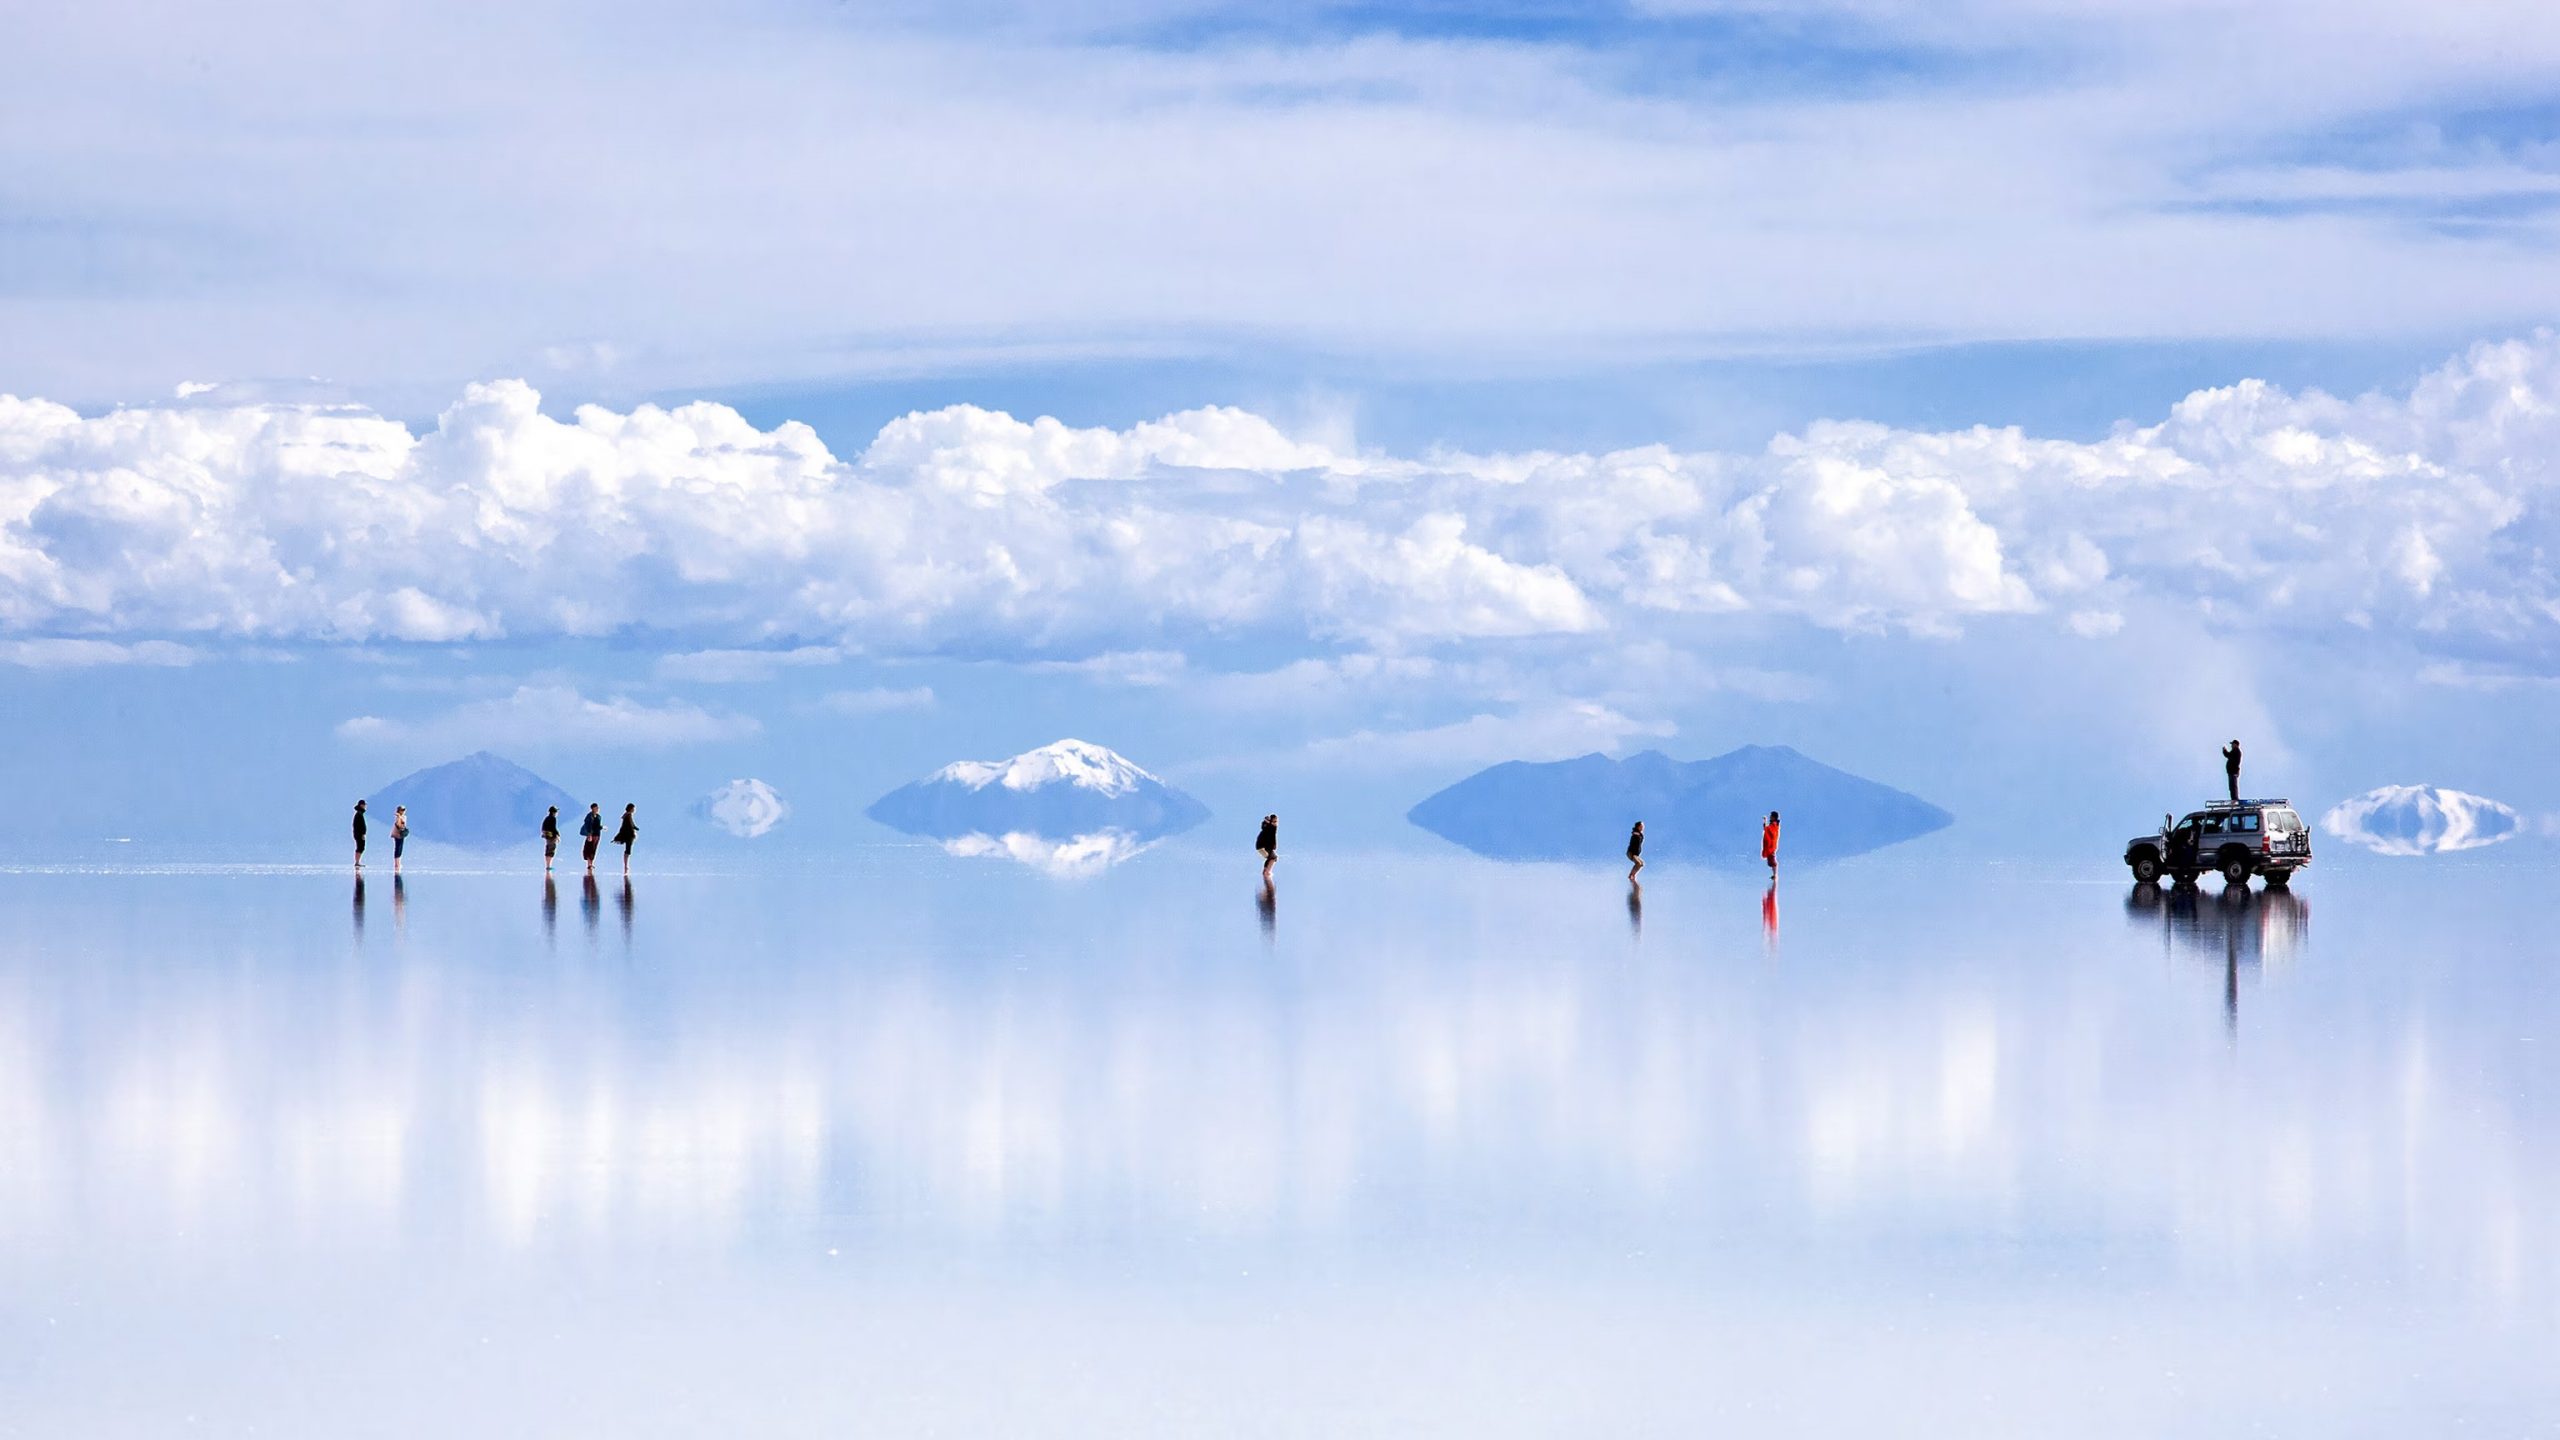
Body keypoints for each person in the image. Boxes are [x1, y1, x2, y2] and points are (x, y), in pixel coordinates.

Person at [613, 803, 638, 874]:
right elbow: (629, 826)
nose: (634, 809)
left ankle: (626, 865)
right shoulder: (628, 816)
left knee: (628, 850)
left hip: (628, 835)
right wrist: (633, 833)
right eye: (633, 808)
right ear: (631, 808)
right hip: (629, 835)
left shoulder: (627, 815)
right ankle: (626, 865)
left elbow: (631, 825)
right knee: (628, 850)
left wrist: (635, 828)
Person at [579, 803, 604, 872]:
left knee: (594, 849)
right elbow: (588, 825)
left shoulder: (598, 816)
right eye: (596, 808)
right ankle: (589, 864)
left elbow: (597, 826)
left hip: (597, 834)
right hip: (591, 834)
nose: (598, 809)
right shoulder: (589, 816)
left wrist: (601, 827)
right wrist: (589, 834)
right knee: (589, 848)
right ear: (593, 808)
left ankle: (591, 863)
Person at [1255, 813, 1278, 880]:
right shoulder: (1271, 827)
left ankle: (1265, 871)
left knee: (1272, 857)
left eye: (1276, 821)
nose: (1275, 823)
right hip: (1263, 846)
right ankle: (1267, 873)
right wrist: (1274, 846)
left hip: (1261, 846)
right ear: (1271, 821)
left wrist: (1266, 821)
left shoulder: (1268, 826)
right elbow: (1272, 838)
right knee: (1273, 858)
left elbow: (1264, 826)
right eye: (1274, 821)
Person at [1761, 810, 1781, 877]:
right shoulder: (1772, 824)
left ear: (1774, 817)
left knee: (1772, 861)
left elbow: (1772, 833)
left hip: (1771, 845)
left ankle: (1775, 874)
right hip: (1769, 845)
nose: (1770, 817)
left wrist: (1766, 824)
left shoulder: (1775, 825)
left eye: (1771, 816)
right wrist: (1765, 821)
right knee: (1770, 861)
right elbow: (1766, 829)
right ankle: (1774, 874)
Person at [541, 805, 561, 871]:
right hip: (551, 837)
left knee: (548, 850)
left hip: (547, 836)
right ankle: (549, 866)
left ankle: (548, 865)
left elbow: (543, 827)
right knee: (551, 850)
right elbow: (553, 828)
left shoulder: (546, 818)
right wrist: (557, 835)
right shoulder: (553, 818)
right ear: (554, 812)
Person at [2222, 740, 2243, 804]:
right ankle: (2233, 799)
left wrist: (2224, 750)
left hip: (2233, 771)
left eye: (2232, 744)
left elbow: (2228, 755)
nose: (2231, 746)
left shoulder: (2236, 751)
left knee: (2233, 786)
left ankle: (2235, 799)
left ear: (2236, 744)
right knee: (2232, 786)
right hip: (2232, 771)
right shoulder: (2236, 751)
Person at [391, 805, 409, 872]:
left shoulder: (404, 817)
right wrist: (399, 817)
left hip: (401, 834)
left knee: (400, 847)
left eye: (404, 810)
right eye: (402, 810)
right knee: (398, 847)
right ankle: (397, 863)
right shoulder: (398, 817)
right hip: (397, 834)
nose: (403, 811)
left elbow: (403, 824)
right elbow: (398, 824)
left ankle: (399, 862)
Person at [352, 799, 368, 870]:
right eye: (364, 805)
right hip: (359, 834)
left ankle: (357, 862)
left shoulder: (360, 814)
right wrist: (362, 834)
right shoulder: (359, 814)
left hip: (358, 834)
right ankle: (357, 862)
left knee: (361, 847)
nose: (365, 806)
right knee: (360, 847)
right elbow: (359, 826)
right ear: (361, 805)